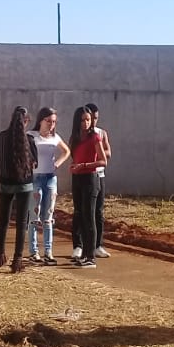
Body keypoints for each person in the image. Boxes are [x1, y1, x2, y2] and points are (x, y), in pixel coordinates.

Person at [27, 107, 70, 265]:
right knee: (34, 214)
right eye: (49, 121)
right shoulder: (31, 136)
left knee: (49, 215)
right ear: (41, 120)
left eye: (54, 122)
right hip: (35, 178)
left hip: (50, 178)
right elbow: (22, 152)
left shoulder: (55, 137)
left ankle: (48, 252)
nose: (51, 124)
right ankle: (33, 252)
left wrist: (56, 164)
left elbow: (66, 151)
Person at [0, 106, 36, 273]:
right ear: (25, 121)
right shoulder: (29, 139)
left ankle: (0, 255)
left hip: (5, 183)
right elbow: (34, 163)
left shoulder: (1, 137)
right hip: (24, 184)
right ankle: (17, 259)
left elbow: (1, 157)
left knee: (3, 220)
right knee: (21, 222)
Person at [72, 102, 113, 259]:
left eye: (90, 119)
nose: (88, 123)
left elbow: (105, 158)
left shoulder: (97, 135)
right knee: (80, 212)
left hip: (93, 176)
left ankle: (93, 251)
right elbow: (73, 155)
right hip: (78, 177)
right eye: (83, 120)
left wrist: (86, 164)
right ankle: (80, 247)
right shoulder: (75, 137)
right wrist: (77, 166)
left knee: (94, 214)